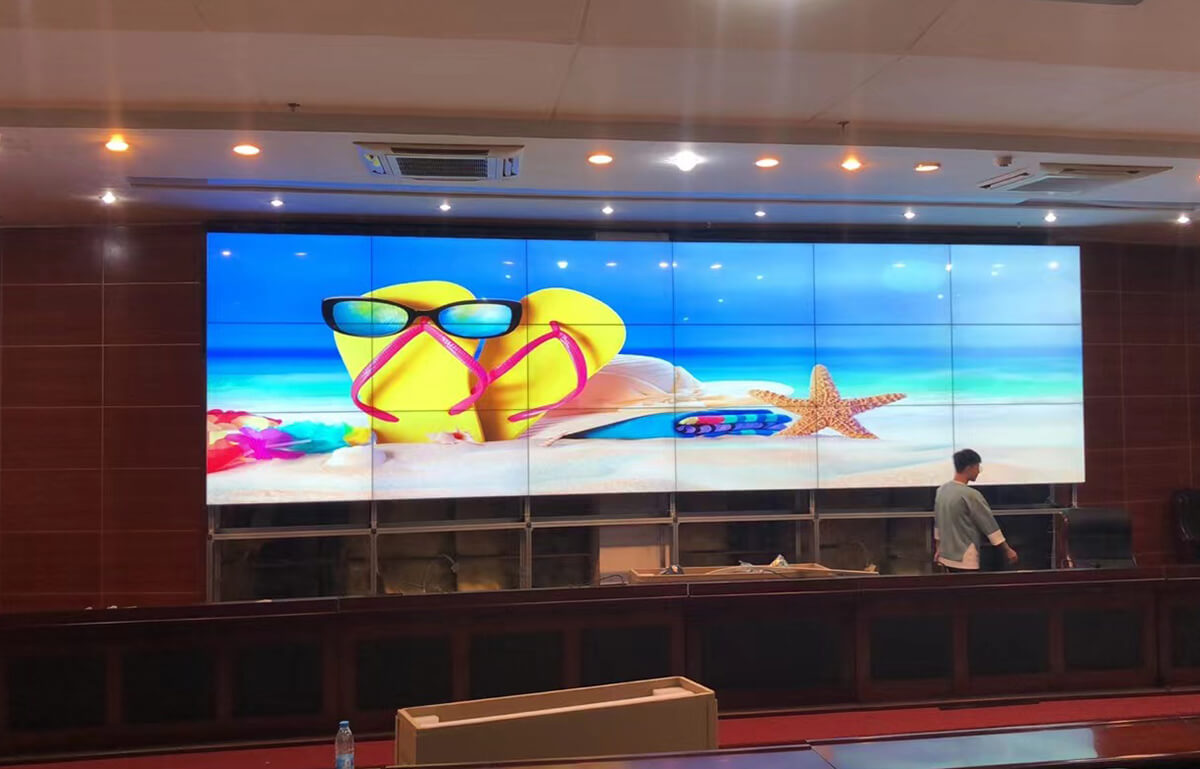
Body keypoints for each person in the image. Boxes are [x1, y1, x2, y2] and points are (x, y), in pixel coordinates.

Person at [933, 449, 1018, 572]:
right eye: (977, 467)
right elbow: (989, 525)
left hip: (945, 555)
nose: (978, 471)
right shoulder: (971, 495)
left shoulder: (941, 491)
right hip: (965, 557)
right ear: (969, 468)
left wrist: (938, 548)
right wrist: (1007, 550)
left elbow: (938, 524)